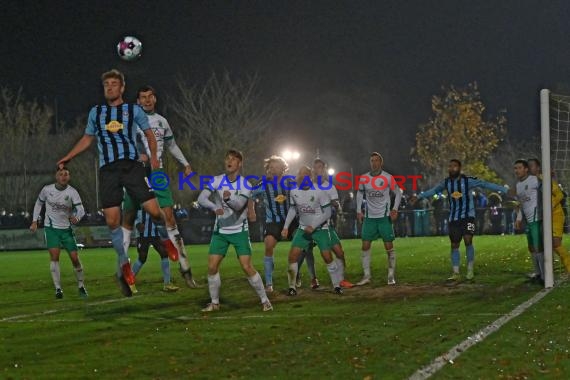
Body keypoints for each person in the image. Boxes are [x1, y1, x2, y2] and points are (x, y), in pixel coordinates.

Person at [57, 69, 171, 297]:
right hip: (108, 170)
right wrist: (68, 156)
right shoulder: (96, 113)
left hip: (131, 166)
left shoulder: (133, 110)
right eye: (106, 84)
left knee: (154, 211)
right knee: (112, 221)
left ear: (122, 88)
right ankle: (124, 263)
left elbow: (149, 134)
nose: (110, 87)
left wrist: (155, 157)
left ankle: (166, 240)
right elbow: (88, 138)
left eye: (113, 84)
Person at [122, 85, 197, 288]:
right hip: (135, 173)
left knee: (169, 217)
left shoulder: (162, 121)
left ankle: (185, 268)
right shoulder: (130, 121)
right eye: (142, 97)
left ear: (154, 99)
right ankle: (123, 268)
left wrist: (185, 163)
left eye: (150, 97)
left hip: (158, 173)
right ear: (138, 101)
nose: (146, 100)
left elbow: (171, 145)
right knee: (127, 217)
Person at [197, 149, 272, 312]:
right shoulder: (216, 180)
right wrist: (214, 206)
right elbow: (201, 198)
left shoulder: (246, 184)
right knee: (212, 267)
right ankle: (215, 303)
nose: (229, 161)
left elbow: (238, 206)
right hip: (221, 232)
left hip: (239, 231)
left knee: (246, 267)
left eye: (233, 159)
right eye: (227, 159)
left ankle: (265, 300)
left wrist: (227, 199)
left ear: (240, 163)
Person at [415, 159, 507, 281]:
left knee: (468, 240)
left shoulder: (467, 181)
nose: (452, 168)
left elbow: (484, 184)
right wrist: (418, 196)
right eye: (450, 166)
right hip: (454, 218)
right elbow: (433, 191)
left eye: (454, 166)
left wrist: (504, 189)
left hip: (468, 216)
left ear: (459, 168)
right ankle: (456, 272)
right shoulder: (446, 183)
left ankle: (470, 270)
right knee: (454, 244)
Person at [281, 166, 344, 295]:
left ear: (310, 177)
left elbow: (327, 213)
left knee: (327, 256)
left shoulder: (320, 191)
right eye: (300, 174)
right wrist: (286, 227)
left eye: (305, 175)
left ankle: (337, 286)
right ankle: (292, 287)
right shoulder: (294, 191)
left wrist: (314, 225)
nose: (302, 177)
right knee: (292, 256)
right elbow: (293, 209)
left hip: (320, 229)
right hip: (303, 228)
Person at [30, 166, 87, 299]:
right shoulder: (47, 190)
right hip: (51, 229)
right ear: (56, 176)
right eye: (61, 174)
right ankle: (58, 289)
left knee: (74, 259)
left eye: (66, 174)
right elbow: (38, 204)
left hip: (66, 230)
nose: (63, 177)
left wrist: (77, 217)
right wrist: (34, 221)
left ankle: (81, 286)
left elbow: (81, 209)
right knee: (54, 257)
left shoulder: (72, 192)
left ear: (69, 177)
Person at [298, 158, 353, 288]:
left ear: (324, 170)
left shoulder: (330, 187)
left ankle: (341, 280)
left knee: (339, 252)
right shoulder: (307, 186)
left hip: (325, 226)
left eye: (320, 168)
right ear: (313, 171)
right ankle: (299, 277)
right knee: (302, 252)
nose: (318, 170)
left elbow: (336, 204)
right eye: (315, 168)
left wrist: (337, 207)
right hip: (309, 226)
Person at [355, 152, 402, 286]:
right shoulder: (364, 178)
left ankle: (391, 276)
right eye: (372, 161)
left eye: (376, 160)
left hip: (384, 217)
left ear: (381, 162)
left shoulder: (388, 177)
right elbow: (359, 193)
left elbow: (397, 192)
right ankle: (366, 276)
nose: (374, 163)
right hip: (369, 218)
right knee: (365, 245)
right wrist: (359, 210)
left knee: (388, 246)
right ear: (370, 162)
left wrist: (395, 209)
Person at [249, 155, 291, 292]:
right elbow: (251, 195)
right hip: (272, 221)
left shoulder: (290, 182)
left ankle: (297, 273)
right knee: (268, 246)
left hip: (291, 220)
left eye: (276, 166)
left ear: (283, 168)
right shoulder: (264, 184)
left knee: (303, 247)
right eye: (271, 167)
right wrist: (251, 210)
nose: (273, 169)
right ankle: (269, 283)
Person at [527, 158, 570, 273]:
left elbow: (560, 195)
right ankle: (541, 272)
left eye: (532, 165)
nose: (529, 168)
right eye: (528, 166)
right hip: (541, 217)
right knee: (538, 245)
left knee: (555, 244)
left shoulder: (544, 179)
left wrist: (550, 204)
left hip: (555, 215)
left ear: (538, 168)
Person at [132, 209, 179, 292]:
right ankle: (129, 282)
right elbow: (132, 215)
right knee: (142, 258)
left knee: (164, 253)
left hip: (155, 233)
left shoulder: (155, 200)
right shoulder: (138, 201)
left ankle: (167, 284)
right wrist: (137, 223)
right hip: (142, 234)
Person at [514, 159, 545, 282]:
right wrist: (519, 218)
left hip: (536, 218)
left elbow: (547, 189)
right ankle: (537, 273)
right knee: (531, 247)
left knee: (538, 247)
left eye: (519, 168)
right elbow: (520, 204)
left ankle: (544, 275)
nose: (517, 170)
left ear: (526, 169)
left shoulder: (534, 180)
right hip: (527, 220)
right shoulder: (518, 185)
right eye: (515, 168)